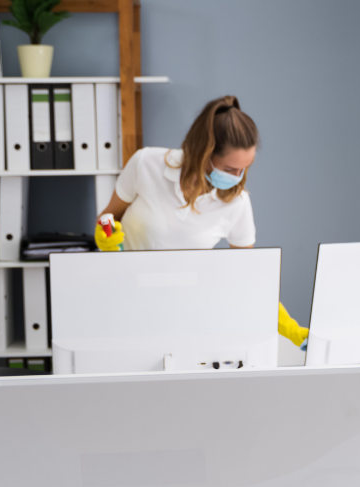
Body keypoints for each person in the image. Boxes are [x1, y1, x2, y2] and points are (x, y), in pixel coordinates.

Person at [94, 94, 307, 345]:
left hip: (185, 315)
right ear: (204, 152)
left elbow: (249, 274)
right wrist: (105, 237)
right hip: (126, 302)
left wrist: (291, 328)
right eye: (230, 169)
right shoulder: (145, 164)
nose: (238, 177)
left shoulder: (236, 202)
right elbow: (109, 216)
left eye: (244, 168)